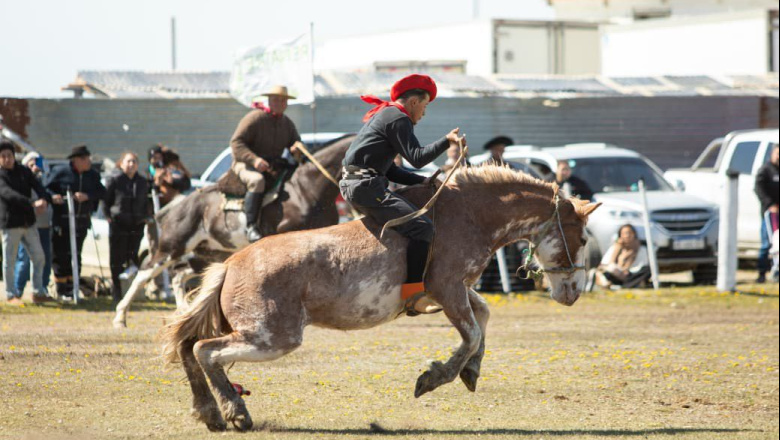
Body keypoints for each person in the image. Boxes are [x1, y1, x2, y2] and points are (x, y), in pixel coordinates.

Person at [339, 74, 465, 299]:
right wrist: (447, 141)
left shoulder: (388, 115)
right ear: (414, 102)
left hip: (362, 184)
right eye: (425, 106)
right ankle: (413, 295)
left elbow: (390, 170)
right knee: (422, 228)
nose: (424, 113)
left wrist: (422, 181)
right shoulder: (398, 118)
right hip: (365, 186)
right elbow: (417, 158)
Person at [229, 85, 303, 242]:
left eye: (283, 100)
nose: (280, 103)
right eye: (276, 99)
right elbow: (236, 143)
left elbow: (296, 143)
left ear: (287, 104)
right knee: (257, 181)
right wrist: (254, 160)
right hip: (245, 163)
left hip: (273, 166)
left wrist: (296, 149)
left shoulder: (287, 123)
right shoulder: (255, 117)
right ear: (269, 100)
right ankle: (251, 227)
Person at [46, 145, 106, 299]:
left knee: (76, 256)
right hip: (62, 222)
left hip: (81, 222)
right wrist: (54, 197)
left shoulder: (92, 175)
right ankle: (62, 290)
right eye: (85, 159)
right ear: (76, 160)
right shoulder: (61, 172)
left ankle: (74, 289)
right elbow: (46, 189)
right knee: (61, 256)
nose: (89, 161)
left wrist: (88, 196)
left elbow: (102, 192)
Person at [0, 141, 52, 304]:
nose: (7, 159)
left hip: (28, 223)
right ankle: (10, 294)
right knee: (10, 261)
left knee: (39, 257)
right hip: (10, 224)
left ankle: (38, 292)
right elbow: (9, 194)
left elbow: (38, 185)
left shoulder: (24, 172)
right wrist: (31, 203)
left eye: (10, 155)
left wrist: (44, 199)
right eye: (3, 156)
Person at [104, 151, 149, 302]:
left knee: (133, 257)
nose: (131, 164)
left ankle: (132, 292)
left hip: (136, 224)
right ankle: (117, 291)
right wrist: (109, 217)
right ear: (121, 163)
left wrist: (146, 217)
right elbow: (106, 200)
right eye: (128, 161)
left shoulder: (142, 181)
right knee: (117, 258)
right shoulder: (115, 179)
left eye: (134, 162)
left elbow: (147, 201)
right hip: (118, 224)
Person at [13, 152, 54, 301]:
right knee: (24, 259)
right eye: (31, 165)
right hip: (28, 225)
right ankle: (17, 291)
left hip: (45, 225)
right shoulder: (21, 181)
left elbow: (49, 194)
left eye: (37, 164)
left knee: (45, 259)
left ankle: (41, 290)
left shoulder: (45, 181)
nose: (35, 168)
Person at [588, 224, 650, 290]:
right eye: (624, 233)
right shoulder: (616, 247)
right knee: (603, 272)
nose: (627, 236)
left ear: (634, 234)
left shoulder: (641, 248)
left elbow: (642, 265)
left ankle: (620, 286)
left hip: (632, 274)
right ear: (620, 235)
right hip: (616, 274)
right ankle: (621, 285)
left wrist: (626, 270)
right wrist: (619, 267)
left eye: (629, 233)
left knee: (647, 270)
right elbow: (605, 264)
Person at [754, 143, 779, 283]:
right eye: (778, 154)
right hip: (769, 214)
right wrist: (770, 204)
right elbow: (758, 188)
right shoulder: (765, 170)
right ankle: (761, 273)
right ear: (772, 154)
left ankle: (776, 271)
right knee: (767, 244)